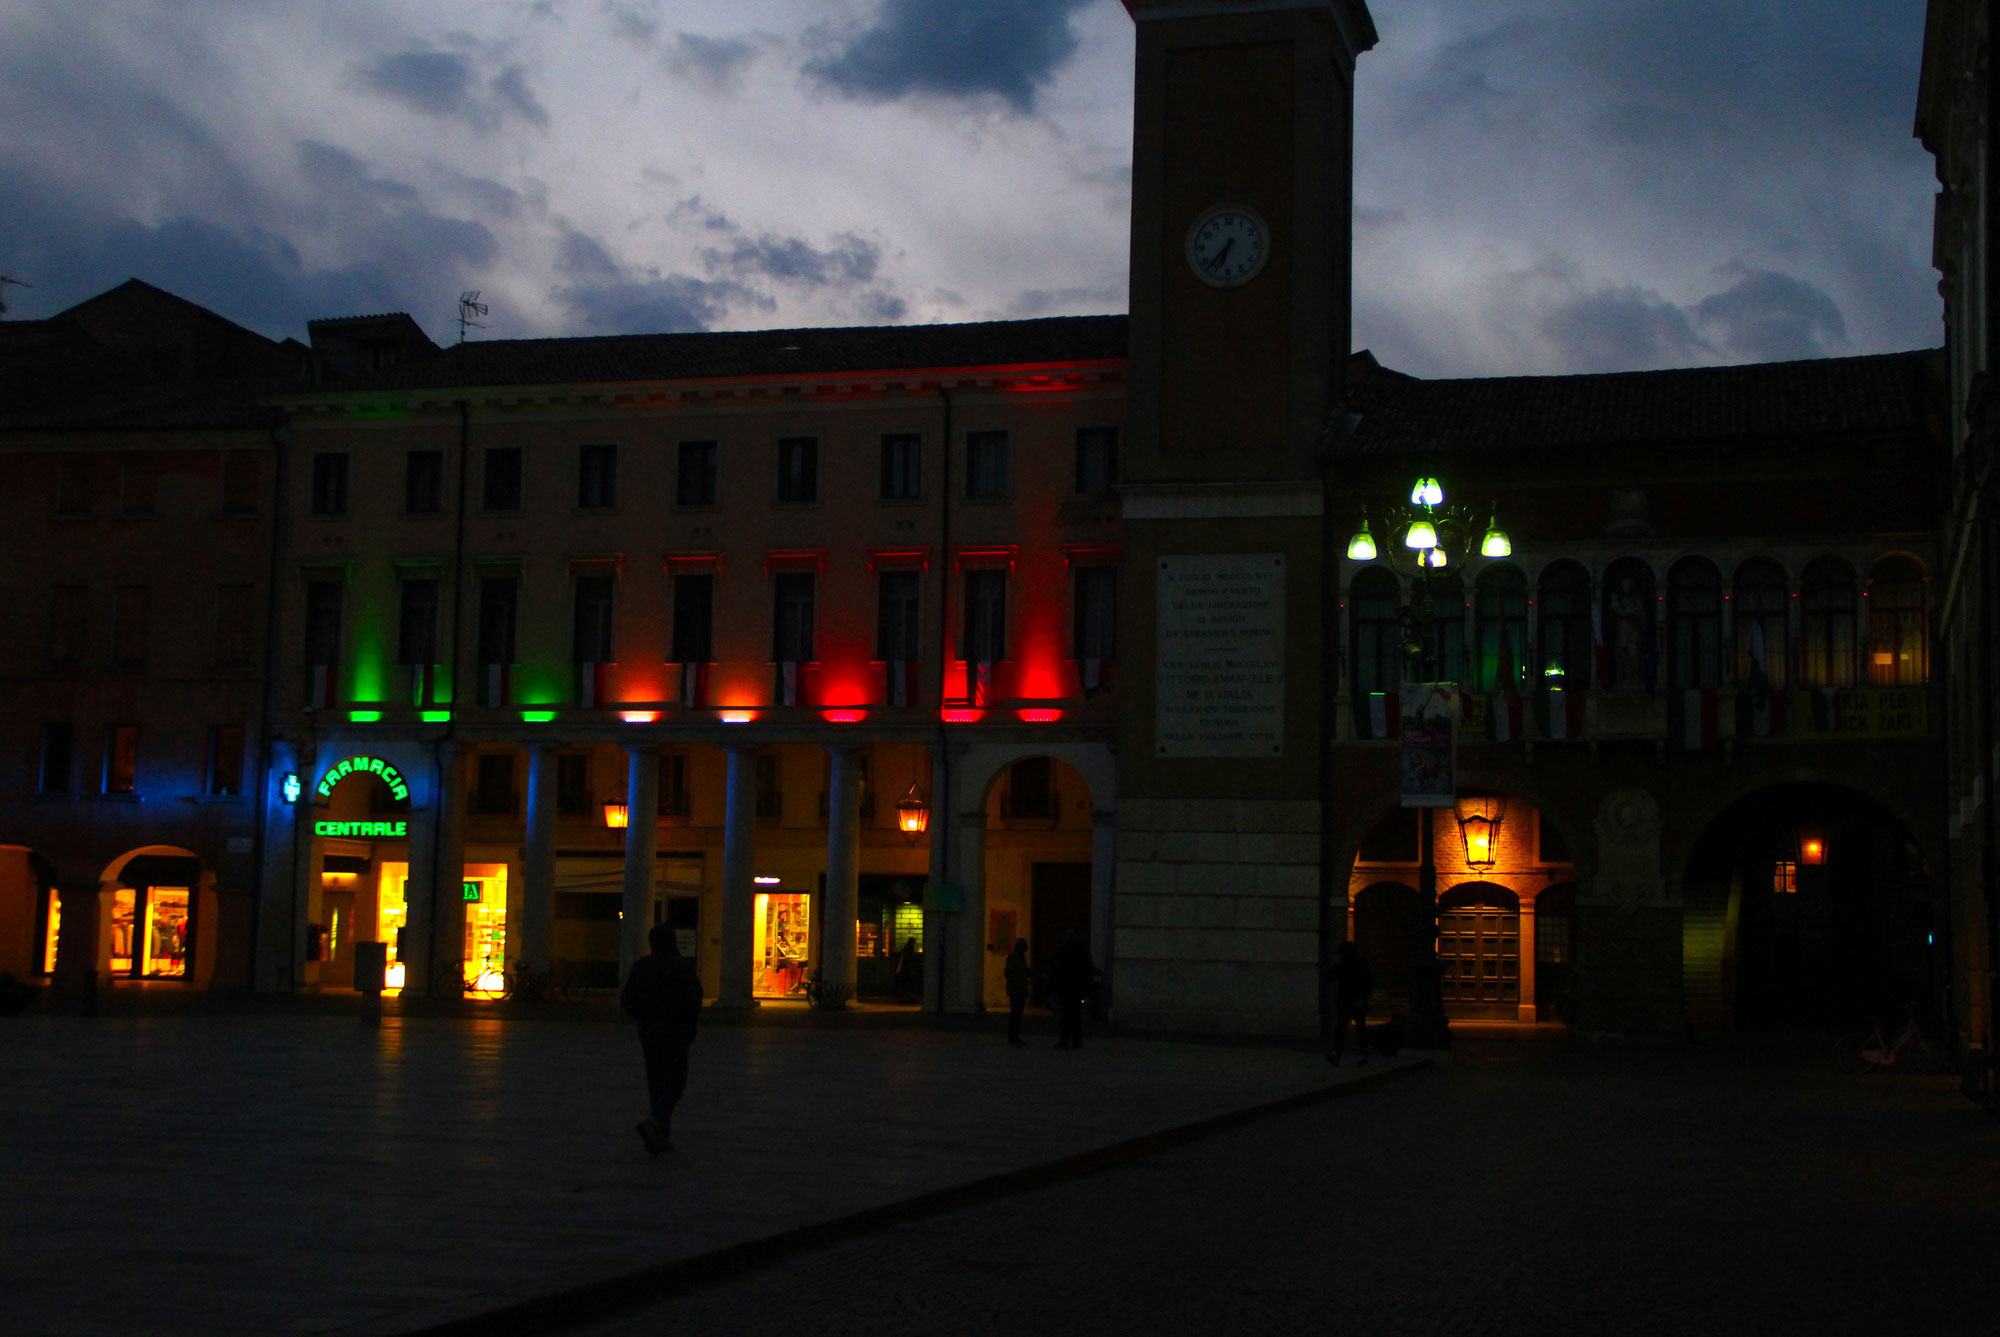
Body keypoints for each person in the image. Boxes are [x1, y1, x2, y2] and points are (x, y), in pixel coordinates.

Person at [621, 921, 704, 1156]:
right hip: (676, 1033)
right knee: (675, 1083)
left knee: (657, 1084)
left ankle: (660, 1134)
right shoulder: (681, 967)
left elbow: (627, 999)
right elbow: (694, 998)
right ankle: (655, 1121)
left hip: (649, 1033)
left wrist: (642, 1016)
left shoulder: (642, 967)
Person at [1050, 929, 1101, 1049]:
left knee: (1065, 1017)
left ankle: (1065, 1041)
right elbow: (1088, 968)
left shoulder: (1063, 950)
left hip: (1066, 989)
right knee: (1076, 1017)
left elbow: (1057, 968)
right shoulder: (1082, 951)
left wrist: (1054, 985)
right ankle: (1076, 1041)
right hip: (1077, 989)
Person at [1326, 940, 1372, 1066]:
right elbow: (1368, 982)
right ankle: (1363, 1054)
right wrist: (1364, 998)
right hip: (1357, 1001)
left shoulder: (1343, 964)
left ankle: (1336, 1053)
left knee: (1341, 1029)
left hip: (1346, 1001)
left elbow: (1330, 977)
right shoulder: (1361, 963)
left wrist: (1334, 965)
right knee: (1360, 1028)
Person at [1003, 938, 1034, 1046]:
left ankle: (1015, 1037)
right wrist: (1017, 981)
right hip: (1016, 990)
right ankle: (1013, 1037)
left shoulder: (1021, 958)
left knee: (1018, 1014)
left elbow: (1025, 970)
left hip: (1020, 989)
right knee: (1015, 1014)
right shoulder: (1013, 958)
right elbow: (1007, 973)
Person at [892, 936, 920, 1003]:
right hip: (907, 970)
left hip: (904, 970)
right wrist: (912, 970)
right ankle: (909, 998)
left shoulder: (905, 949)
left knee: (905, 985)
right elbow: (910, 960)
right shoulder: (910, 950)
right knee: (909, 985)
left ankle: (905, 998)